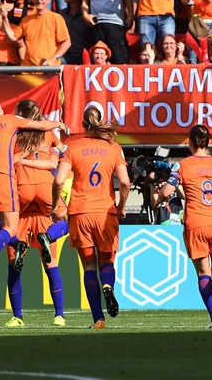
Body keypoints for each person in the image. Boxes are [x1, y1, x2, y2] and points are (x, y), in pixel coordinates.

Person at [0, 97, 65, 291]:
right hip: (2, 177)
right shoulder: (10, 119)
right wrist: (58, 123)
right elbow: (40, 126)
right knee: (11, 227)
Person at [158, 124, 212, 329]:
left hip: (196, 223)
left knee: (203, 274)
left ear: (189, 143)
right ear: (208, 143)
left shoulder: (182, 165)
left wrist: (159, 198)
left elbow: (166, 192)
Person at [52, 107, 129, 329]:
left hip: (80, 213)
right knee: (107, 261)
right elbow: (124, 182)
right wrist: (121, 207)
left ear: (83, 125)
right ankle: (108, 286)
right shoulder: (114, 148)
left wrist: (57, 204)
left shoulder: (72, 147)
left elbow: (58, 181)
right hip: (105, 213)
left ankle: (98, 319)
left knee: (88, 267)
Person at [4, 99, 66, 327]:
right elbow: (59, 157)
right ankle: (59, 315)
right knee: (65, 221)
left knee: (5, 239)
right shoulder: (49, 134)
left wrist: (23, 161)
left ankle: (17, 317)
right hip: (44, 189)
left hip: (20, 189)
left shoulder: (14, 132)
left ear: (21, 114)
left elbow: (8, 161)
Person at [18, 0, 71, 66]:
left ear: (48, 0)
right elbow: (13, 37)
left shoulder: (56, 18)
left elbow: (67, 42)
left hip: (49, 69)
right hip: (29, 70)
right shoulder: (26, 20)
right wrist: (4, 19)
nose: (40, 1)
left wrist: (54, 59)